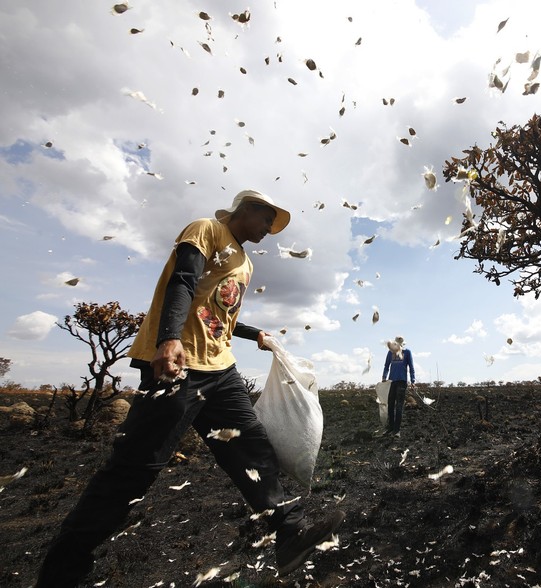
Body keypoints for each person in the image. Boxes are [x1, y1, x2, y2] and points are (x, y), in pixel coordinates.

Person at [36, 190, 344, 587]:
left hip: (221, 367)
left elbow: (218, 316)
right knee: (133, 470)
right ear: (247, 210)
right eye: (267, 220)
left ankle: (291, 533)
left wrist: (255, 335)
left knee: (254, 448)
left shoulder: (246, 263)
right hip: (180, 367)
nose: (270, 230)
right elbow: (182, 283)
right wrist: (168, 339)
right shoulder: (206, 230)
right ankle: (63, 571)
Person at [381, 336, 415, 437]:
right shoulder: (390, 353)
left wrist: (413, 380)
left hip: (402, 382)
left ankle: (397, 430)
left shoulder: (407, 352)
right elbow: (386, 366)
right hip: (391, 382)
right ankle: (390, 428)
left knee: (399, 406)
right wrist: (384, 376)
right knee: (390, 405)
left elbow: (411, 367)